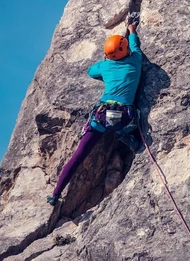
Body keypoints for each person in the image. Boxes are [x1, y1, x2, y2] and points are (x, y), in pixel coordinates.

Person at [47, 21, 144, 206]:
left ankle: (55, 194)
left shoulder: (104, 66)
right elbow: (135, 46)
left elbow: (90, 72)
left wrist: (106, 62)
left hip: (101, 114)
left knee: (79, 155)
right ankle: (127, 136)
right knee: (129, 124)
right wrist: (132, 31)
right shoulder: (136, 60)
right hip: (124, 116)